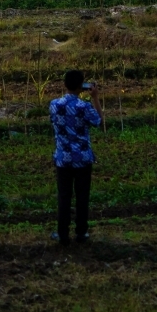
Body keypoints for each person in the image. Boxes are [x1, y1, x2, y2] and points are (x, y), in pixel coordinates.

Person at [49, 69, 101, 245]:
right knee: (82, 196)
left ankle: (62, 233)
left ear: (65, 84)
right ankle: (81, 232)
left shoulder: (54, 104)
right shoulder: (84, 106)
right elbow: (98, 121)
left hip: (63, 158)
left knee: (64, 197)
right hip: (82, 158)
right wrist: (95, 98)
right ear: (82, 86)